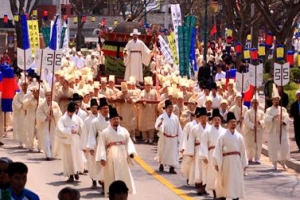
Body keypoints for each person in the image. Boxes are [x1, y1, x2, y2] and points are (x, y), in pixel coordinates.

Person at [97, 107, 137, 197]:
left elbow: (128, 142)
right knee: (112, 175)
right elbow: (101, 146)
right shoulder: (105, 132)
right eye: (114, 119)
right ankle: (113, 194)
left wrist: (130, 152)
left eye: (118, 119)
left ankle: (123, 193)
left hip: (122, 155)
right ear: (110, 120)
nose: (116, 121)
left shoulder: (124, 131)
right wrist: (102, 158)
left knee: (123, 174)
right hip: (111, 156)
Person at [213, 112, 248, 200]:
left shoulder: (240, 137)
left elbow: (243, 151)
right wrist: (216, 163)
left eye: (235, 122)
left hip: (236, 161)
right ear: (227, 124)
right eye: (231, 122)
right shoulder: (222, 136)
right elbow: (217, 150)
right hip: (226, 161)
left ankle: (235, 197)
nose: (233, 124)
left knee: (236, 180)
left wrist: (244, 164)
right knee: (226, 180)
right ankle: (223, 196)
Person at [200, 109, 226, 200]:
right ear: (212, 120)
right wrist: (204, 156)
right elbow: (203, 144)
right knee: (213, 174)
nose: (217, 121)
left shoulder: (224, 131)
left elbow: (227, 143)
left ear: (220, 120)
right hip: (212, 154)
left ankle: (222, 193)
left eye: (218, 119)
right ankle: (215, 193)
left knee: (222, 174)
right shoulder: (207, 131)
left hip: (222, 155)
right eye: (215, 119)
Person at [56, 102, 84, 182]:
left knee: (77, 157)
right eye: (69, 112)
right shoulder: (62, 119)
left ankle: (76, 171)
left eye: (72, 112)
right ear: (67, 111)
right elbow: (59, 129)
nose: (71, 114)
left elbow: (82, 127)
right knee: (68, 158)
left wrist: (78, 132)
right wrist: (69, 131)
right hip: (66, 141)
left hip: (75, 140)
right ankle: (70, 175)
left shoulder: (77, 118)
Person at [185, 107, 211, 195]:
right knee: (198, 169)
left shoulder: (210, 128)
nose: (203, 119)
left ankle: (205, 187)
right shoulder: (194, 129)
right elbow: (191, 141)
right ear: (199, 118)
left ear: (207, 118)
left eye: (205, 117)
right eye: (202, 117)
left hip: (207, 151)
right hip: (197, 150)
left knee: (207, 169)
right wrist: (190, 152)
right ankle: (199, 187)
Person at [88, 98, 110, 192]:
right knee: (101, 165)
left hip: (110, 145)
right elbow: (92, 135)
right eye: (104, 108)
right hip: (99, 145)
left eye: (107, 108)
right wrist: (91, 147)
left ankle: (107, 184)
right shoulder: (95, 122)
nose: (106, 110)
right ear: (99, 110)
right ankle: (103, 184)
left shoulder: (111, 119)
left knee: (109, 165)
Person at [264, 91, 290, 170]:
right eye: (275, 100)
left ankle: (283, 162)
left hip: (282, 130)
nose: (276, 101)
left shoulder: (283, 109)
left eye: (277, 100)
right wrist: (272, 117)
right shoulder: (269, 110)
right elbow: (266, 118)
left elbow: (287, 117)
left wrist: (284, 121)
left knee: (284, 146)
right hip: (273, 131)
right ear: (272, 101)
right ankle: (274, 164)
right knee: (273, 147)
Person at [155, 100, 182, 174]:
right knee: (163, 152)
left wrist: (180, 138)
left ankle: (172, 167)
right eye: (169, 107)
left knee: (173, 153)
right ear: (165, 108)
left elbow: (178, 128)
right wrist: (159, 125)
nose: (170, 109)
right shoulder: (162, 117)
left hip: (173, 138)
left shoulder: (175, 118)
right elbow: (157, 126)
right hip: (165, 138)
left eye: (171, 107)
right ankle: (161, 164)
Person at [36, 88, 62, 160]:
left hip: (53, 124)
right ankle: (48, 154)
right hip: (45, 124)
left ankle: (52, 152)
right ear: (45, 96)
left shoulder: (55, 104)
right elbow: (38, 114)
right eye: (47, 95)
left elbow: (59, 114)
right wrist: (45, 118)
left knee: (53, 138)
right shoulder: (41, 105)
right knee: (46, 139)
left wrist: (53, 112)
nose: (49, 97)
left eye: (50, 95)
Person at [81, 99, 99, 189]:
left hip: (100, 144)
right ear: (90, 109)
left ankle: (102, 181)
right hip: (91, 145)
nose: (94, 109)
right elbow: (84, 133)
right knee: (92, 164)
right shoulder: (87, 120)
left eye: (96, 107)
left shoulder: (102, 118)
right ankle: (94, 181)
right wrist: (86, 146)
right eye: (93, 108)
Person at [243, 98, 265, 164]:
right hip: (250, 130)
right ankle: (249, 157)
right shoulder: (248, 112)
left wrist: (260, 122)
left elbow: (264, 120)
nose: (255, 104)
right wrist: (252, 125)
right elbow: (246, 120)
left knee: (258, 144)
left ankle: (257, 158)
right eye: (253, 102)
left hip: (258, 130)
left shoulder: (261, 112)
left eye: (256, 102)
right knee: (249, 144)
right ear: (251, 103)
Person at [12, 81, 28, 148]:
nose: (25, 87)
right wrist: (21, 106)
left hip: (27, 113)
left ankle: (28, 142)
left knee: (27, 127)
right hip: (20, 112)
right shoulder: (18, 95)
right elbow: (14, 103)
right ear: (21, 86)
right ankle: (21, 142)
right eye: (23, 85)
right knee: (20, 127)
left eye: (26, 85)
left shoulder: (29, 94)